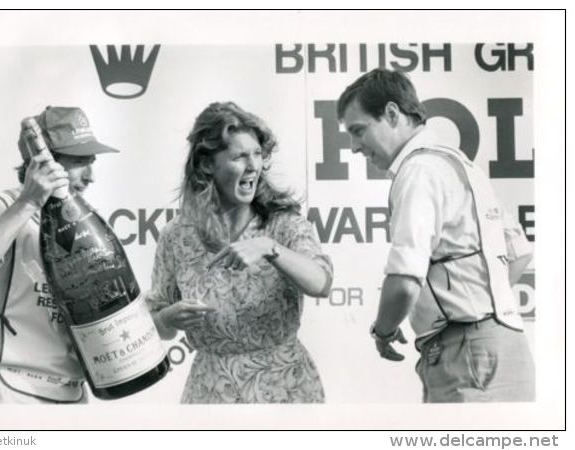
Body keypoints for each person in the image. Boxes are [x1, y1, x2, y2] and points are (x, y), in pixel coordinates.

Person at [336, 69, 535, 403]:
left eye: (359, 131)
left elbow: (404, 279)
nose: (355, 147)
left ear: (391, 113)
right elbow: (518, 253)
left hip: (464, 355)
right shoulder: (459, 163)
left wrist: (383, 331)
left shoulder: (417, 171)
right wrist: (485, 311)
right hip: (507, 347)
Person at [147, 101, 333, 403]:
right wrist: (167, 319)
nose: (253, 166)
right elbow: (158, 325)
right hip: (211, 393)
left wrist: (270, 248)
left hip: (284, 390)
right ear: (207, 164)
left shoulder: (283, 225)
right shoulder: (176, 236)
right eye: (239, 156)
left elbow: (321, 283)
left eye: (258, 154)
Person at [0, 106, 120, 403]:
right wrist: (28, 203)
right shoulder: (1, 208)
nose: (91, 177)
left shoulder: (88, 220)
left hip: (73, 395)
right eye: (79, 162)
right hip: (12, 390)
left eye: (92, 162)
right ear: (42, 163)